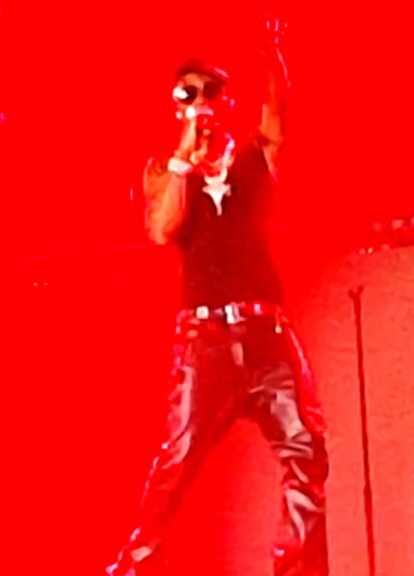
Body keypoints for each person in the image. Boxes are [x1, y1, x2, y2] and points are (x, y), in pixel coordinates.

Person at [105, 17, 330, 576]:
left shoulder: (253, 158)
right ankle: (135, 567)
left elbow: (278, 120)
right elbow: (163, 229)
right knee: (176, 460)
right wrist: (185, 154)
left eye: (209, 92)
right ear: (175, 106)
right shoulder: (164, 171)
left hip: (266, 333)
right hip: (204, 341)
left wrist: (271, 51)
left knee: (306, 447)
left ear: (227, 102)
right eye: (188, 94)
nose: (200, 102)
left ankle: (296, 568)